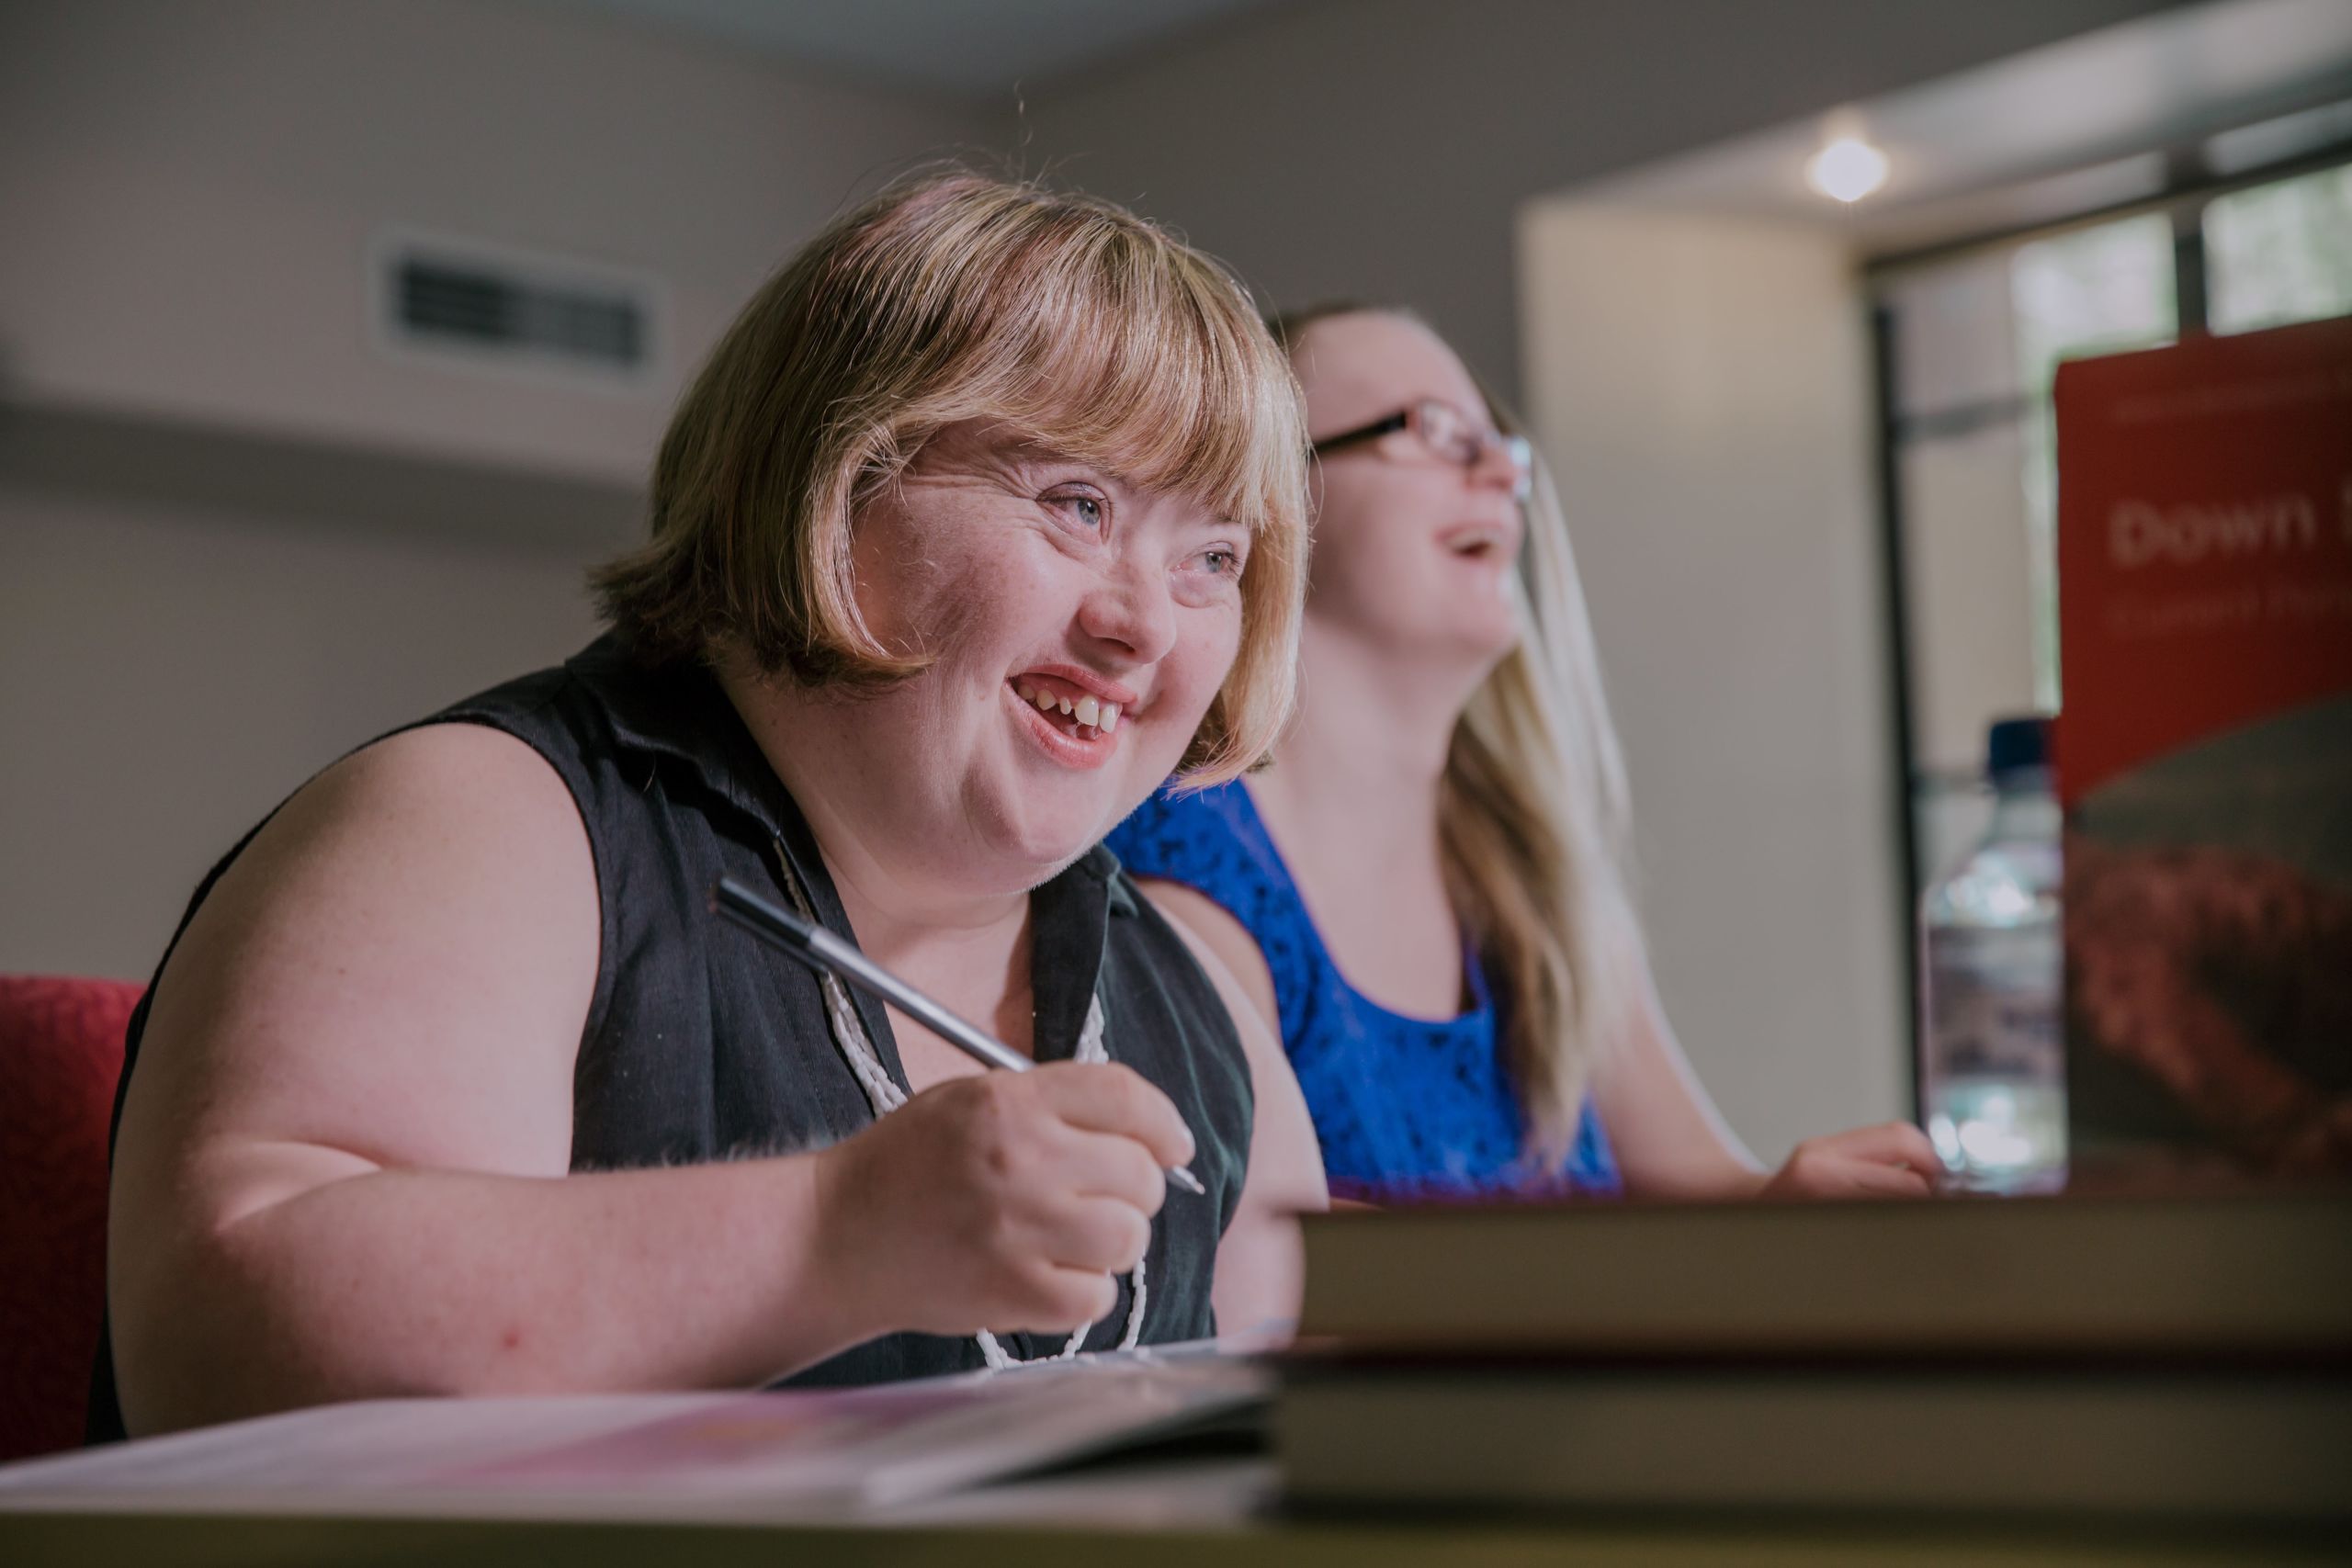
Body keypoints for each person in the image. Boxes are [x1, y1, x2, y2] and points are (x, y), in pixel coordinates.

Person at [94, 174, 1329, 1440]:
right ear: (834, 474)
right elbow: (223, 1341)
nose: (1143, 628)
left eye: (1213, 561)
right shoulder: (484, 822)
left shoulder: (1203, 1008)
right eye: (1079, 505)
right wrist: (840, 1234)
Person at [1105, 303, 1939, 1204]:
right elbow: (1266, 1272)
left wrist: (1795, 1214)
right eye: (1431, 431)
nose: (1503, 470)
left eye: (1500, 445)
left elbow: (1708, 1201)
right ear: (1270, 498)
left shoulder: (1535, 870)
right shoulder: (1176, 866)